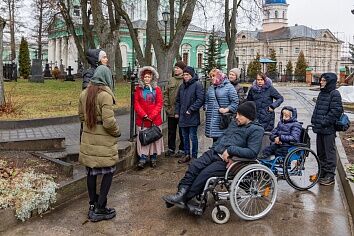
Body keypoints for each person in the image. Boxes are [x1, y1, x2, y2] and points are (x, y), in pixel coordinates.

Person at [163, 101, 264, 213]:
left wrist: (230, 150)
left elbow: (252, 152)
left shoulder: (256, 130)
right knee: (194, 165)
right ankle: (180, 194)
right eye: (237, 114)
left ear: (248, 116)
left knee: (204, 174)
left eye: (240, 115)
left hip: (229, 160)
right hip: (216, 151)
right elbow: (224, 136)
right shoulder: (235, 123)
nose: (236, 116)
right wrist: (216, 146)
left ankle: (186, 199)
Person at [78, 65, 120, 222]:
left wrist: (91, 127)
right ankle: (101, 207)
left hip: (89, 138)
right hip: (104, 140)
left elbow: (81, 116)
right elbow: (109, 122)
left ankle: (92, 204)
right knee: (108, 171)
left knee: (91, 172)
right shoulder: (105, 96)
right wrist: (117, 132)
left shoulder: (84, 93)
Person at [311, 72, 343, 186]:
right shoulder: (322, 93)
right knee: (321, 152)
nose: (321, 82)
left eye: (324, 80)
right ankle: (322, 172)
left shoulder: (335, 94)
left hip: (328, 129)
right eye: (321, 80)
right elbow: (317, 109)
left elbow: (336, 111)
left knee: (329, 152)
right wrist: (314, 121)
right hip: (320, 128)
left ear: (329, 82)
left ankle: (330, 176)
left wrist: (324, 122)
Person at [134, 66, 164, 169]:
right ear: (142, 78)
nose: (147, 79)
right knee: (144, 139)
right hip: (143, 120)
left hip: (154, 119)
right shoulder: (138, 89)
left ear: (152, 77)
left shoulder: (157, 89)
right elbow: (136, 103)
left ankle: (153, 157)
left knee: (154, 139)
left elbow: (159, 103)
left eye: (149, 76)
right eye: (145, 77)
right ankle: (143, 158)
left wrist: (152, 115)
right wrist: (144, 115)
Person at [175, 66, 205, 164]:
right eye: (184, 75)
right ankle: (186, 154)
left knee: (193, 136)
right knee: (184, 136)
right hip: (183, 116)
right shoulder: (182, 86)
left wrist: (191, 109)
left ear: (191, 75)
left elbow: (200, 99)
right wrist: (177, 112)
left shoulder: (197, 85)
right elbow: (178, 100)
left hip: (192, 116)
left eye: (187, 75)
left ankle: (194, 156)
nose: (185, 76)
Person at [205, 69, 239, 143]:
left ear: (219, 76)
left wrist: (226, 109)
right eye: (211, 76)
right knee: (215, 140)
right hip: (212, 119)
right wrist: (206, 107)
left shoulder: (229, 87)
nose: (212, 78)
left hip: (222, 119)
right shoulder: (211, 87)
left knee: (222, 140)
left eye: (214, 76)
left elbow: (235, 102)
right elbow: (206, 100)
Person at [163, 61, 186, 157]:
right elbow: (166, 94)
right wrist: (166, 107)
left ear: (182, 69)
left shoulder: (185, 80)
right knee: (171, 131)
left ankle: (182, 149)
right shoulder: (171, 80)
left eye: (178, 68)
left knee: (182, 132)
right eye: (175, 67)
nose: (176, 69)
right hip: (171, 110)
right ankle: (171, 148)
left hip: (181, 111)